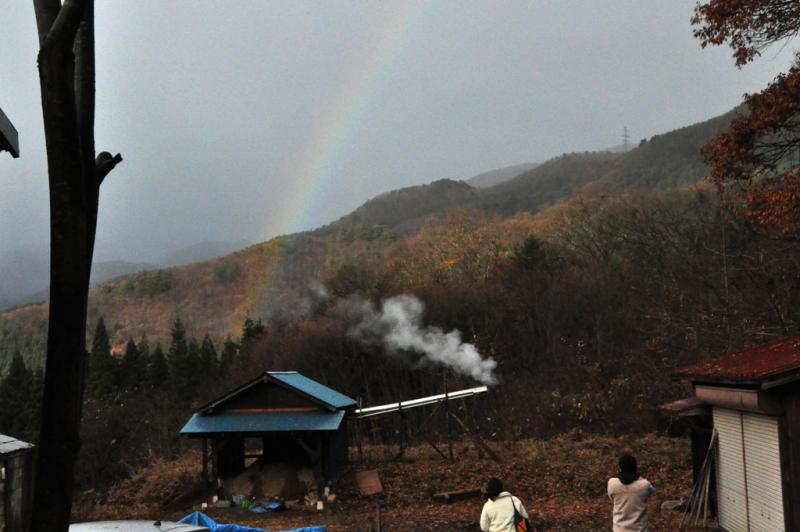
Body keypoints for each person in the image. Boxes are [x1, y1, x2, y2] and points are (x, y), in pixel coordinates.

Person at [607, 454, 655, 532]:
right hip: (640, 529)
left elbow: (611, 497)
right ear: (635, 467)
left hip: (619, 529)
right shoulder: (644, 484)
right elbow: (651, 492)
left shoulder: (612, 483)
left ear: (620, 467)